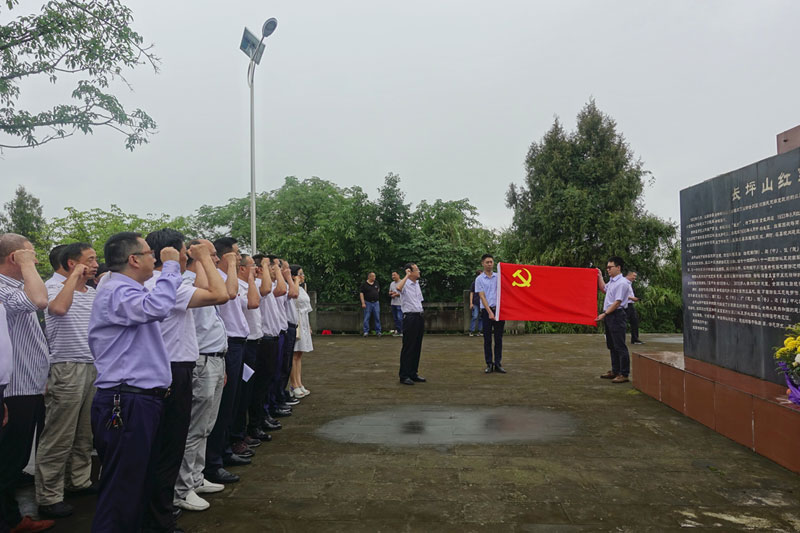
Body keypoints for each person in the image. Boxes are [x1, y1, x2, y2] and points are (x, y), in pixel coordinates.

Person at [88, 231, 181, 533]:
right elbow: (158, 308)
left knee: (137, 484)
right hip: (127, 399)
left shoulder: (128, 291)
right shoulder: (116, 291)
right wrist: (171, 266)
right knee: (122, 489)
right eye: (150, 253)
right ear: (134, 259)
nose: (155, 258)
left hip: (138, 399)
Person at [142, 229, 228, 531]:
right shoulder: (166, 284)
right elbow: (220, 293)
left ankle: (170, 501)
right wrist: (203, 257)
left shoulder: (161, 283)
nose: (184, 257)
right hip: (172, 368)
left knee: (179, 439)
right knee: (171, 445)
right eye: (182, 252)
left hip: (177, 365)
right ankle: (165, 509)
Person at [35, 242, 98, 519]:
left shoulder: (92, 293)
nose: (96, 264)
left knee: (84, 433)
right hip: (66, 367)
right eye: (90, 259)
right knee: (59, 435)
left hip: (92, 366)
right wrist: (74, 278)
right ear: (73, 263)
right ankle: (49, 496)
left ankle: (79, 481)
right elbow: (58, 309)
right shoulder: (51, 287)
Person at [0, 233, 53, 533]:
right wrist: (26, 263)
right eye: (32, 255)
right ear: (15, 257)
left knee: (15, 457)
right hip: (14, 388)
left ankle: (11, 517)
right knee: (9, 459)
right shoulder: (2, 288)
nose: (36, 260)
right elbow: (41, 300)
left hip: (27, 385)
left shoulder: (15, 287)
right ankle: (8, 521)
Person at [175, 239, 234, 497]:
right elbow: (218, 292)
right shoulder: (187, 282)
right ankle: (184, 486)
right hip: (202, 360)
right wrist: (202, 259)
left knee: (206, 426)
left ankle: (197, 477)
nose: (216, 260)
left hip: (215, 358)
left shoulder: (204, 279)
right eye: (212, 255)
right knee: (194, 427)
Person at [203, 238, 251, 482]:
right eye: (235, 254)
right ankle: (214, 460)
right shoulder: (217, 278)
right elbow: (230, 294)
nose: (239, 258)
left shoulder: (224, 277)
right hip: (224, 345)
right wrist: (231, 266)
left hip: (232, 343)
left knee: (231, 402)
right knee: (220, 409)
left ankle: (223, 451)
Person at [595, 256, 631, 384]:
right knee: (612, 345)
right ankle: (615, 370)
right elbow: (603, 288)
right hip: (610, 315)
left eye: (610, 267)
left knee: (620, 345)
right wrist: (599, 276)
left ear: (618, 267)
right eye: (607, 268)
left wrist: (604, 314)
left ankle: (624, 373)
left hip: (616, 315)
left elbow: (617, 302)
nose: (608, 270)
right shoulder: (612, 282)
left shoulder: (622, 283)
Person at [475, 254, 506, 374]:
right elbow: (482, 296)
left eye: (491, 262)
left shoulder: (499, 277)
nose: (489, 264)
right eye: (487, 262)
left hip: (499, 311)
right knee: (487, 339)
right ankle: (489, 363)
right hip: (486, 311)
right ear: (483, 263)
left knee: (498, 338)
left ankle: (498, 363)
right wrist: (489, 312)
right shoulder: (479, 279)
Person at [396, 263, 425, 386]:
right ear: (410, 271)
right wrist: (406, 275)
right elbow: (398, 288)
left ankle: (413, 373)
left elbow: (419, 300)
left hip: (419, 316)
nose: (419, 271)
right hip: (410, 317)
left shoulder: (417, 284)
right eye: (417, 270)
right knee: (408, 346)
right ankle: (404, 375)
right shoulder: (405, 283)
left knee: (417, 346)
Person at [290, 265, 313, 398]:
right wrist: (295, 282)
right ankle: (294, 384)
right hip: (296, 320)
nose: (302, 276)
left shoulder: (302, 288)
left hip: (303, 320)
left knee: (299, 354)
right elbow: (294, 298)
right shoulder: (291, 288)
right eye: (300, 274)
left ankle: (299, 382)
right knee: (294, 354)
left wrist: (308, 325)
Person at [624, 271, 643, 345]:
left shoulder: (629, 283)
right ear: (629, 275)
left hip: (630, 304)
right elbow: (621, 294)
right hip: (625, 305)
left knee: (635, 321)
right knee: (623, 322)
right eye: (633, 276)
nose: (634, 278)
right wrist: (632, 298)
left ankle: (635, 339)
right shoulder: (624, 282)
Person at [359, 272, 381, 337]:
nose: (375, 277)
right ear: (369, 277)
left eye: (375, 276)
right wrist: (363, 303)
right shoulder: (364, 284)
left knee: (377, 317)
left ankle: (378, 331)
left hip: (376, 302)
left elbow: (378, 290)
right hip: (368, 302)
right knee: (367, 317)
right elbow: (361, 293)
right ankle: (366, 331)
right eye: (373, 276)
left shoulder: (376, 283)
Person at [388, 272, 403, 337]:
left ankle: (402, 331)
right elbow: (390, 291)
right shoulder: (392, 283)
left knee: (400, 318)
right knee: (395, 318)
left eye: (394, 275)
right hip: (393, 303)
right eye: (392, 275)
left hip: (400, 303)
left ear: (398, 275)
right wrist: (391, 293)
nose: (393, 276)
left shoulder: (402, 282)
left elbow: (405, 293)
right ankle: (398, 331)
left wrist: (396, 294)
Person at [468, 270, 482, 337]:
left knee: (481, 317)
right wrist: (471, 303)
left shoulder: (484, 283)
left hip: (482, 303)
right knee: (475, 316)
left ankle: (480, 331)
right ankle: (471, 331)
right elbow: (471, 293)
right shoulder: (474, 283)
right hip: (475, 302)